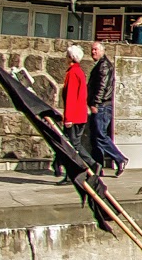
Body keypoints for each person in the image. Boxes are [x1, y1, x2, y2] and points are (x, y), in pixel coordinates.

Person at [86, 40, 126, 175]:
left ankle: (119, 159)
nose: (93, 52)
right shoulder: (101, 65)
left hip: (102, 106)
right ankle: (97, 166)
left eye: (96, 50)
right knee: (95, 137)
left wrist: (95, 103)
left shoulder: (103, 66)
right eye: (92, 50)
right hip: (102, 105)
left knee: (100, 135)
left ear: (102, 51)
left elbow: (102, 87)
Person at [54, 45, 91, 183]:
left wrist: (68, 118)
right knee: (71, 145)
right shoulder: (78, 72)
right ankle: (62, 168)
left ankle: (91, 165)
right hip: (79, 115)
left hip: (74, 116)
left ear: (70, 57)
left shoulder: (73, 73)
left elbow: (71, 97)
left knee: (72, 146)